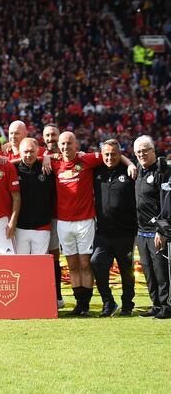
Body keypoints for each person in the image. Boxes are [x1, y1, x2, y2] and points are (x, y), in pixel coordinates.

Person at [46, 131, 135, 316]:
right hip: (63, 222)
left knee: (86, 264)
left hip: (85, 221)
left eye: (69, 143)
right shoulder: (54, 163)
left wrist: (131, 163)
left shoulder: (87, 159)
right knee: (71, 265)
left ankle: (86, 306)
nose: (65, 147)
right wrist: (46, 157)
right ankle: (79, 304)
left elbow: (112, 153)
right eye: (62, 144)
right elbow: (28, 154)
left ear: (76, 145)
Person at [92, 139, 137, 317]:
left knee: (127, 269)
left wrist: (130, 162)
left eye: (114, 154)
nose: (110, 157)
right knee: (96, 262)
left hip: (125, 232)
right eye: (106, 154)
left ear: (120, 154)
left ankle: (127, 304)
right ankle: (108, 302)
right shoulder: (96, 171)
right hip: (103, 232)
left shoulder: (130, 171)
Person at [133, 135, 171, 319]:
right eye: (138, 151)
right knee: (148, 272)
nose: (141, 154)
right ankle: (156, 305)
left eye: (145, 150)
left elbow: (166, 203)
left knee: (162, 272)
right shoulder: (139, 170)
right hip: (141, 232)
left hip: (157, 232)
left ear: (153, 151)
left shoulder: (162, 171)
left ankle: (166, 306)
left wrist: (162, 230)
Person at [13, 138, 55, 256]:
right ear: (20, 152)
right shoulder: (12, 169)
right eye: (25, 152)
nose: (28, 155)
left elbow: (65, 157)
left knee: (39, 265)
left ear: (38, 151)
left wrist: (48, 157)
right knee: (22, 264)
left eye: (32, 151)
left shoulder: (47, 167)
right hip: (20, 226)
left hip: (42, 225)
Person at [42, 123, 64, 306]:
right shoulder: (39, 153)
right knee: (43, 255)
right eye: (47, 136)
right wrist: (46, 156)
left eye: (53, 135)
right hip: (42, 215)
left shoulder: (67, 155)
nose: (51, 139)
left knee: (55, 255)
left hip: (59, 214)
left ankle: (57, 296)